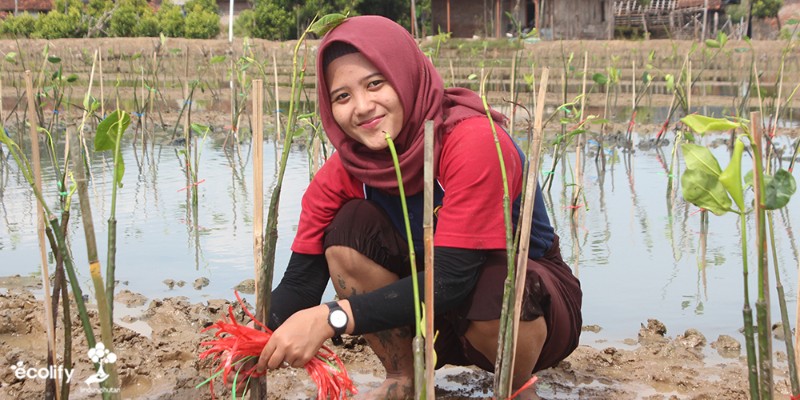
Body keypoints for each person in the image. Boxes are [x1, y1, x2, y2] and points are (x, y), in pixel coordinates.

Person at [232, 15, 582, 400]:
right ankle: (403, 375)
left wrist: (331, 317)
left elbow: (452, 280)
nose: (362, 107)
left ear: (405, 76)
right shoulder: (345, 171)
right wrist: (247, 338)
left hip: (521, 310)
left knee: (495, 282)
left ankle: (516, 387)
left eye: (375, 84)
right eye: (342, 96)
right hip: (417, 313)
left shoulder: (473, 142)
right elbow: (301, 283)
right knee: (348, 227)